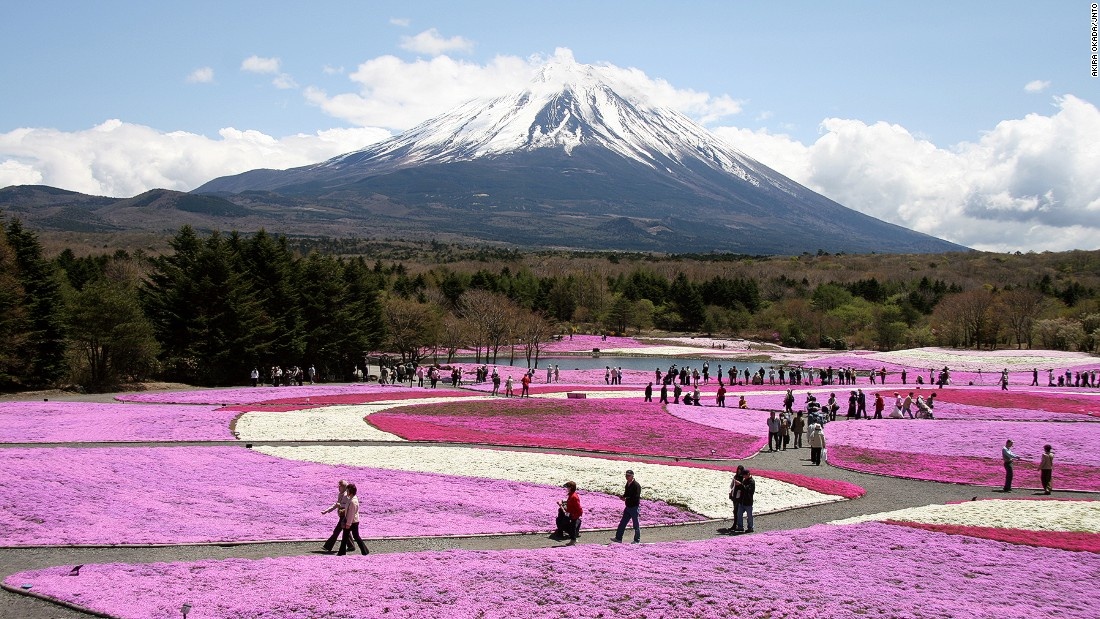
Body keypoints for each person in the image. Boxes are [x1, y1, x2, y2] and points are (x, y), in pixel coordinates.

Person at [337, 483, 368, 555]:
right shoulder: (351, 498)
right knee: (347, 537)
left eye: (347, 490)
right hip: (352, 521)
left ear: (350, 491)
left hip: (352, 522)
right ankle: (364, 551)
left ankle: (365, 551)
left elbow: (351, 514)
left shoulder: (353, 501)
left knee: (354, 537)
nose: (346, 492)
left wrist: (348, 524)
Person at [611, 470, 642, 543]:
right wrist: (623, 496)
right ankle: (618, 538)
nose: (627, 477)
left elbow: (636, 497)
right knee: (622, 523)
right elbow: (626, 493)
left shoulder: (636, 485)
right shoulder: (628, 484)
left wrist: (626, 498)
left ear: (632, 476)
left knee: (636, 525)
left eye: (628, 475)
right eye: (626, 475)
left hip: (634, 507)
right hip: (628, 507)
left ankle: (636, 540)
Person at [320, 479, 350, 553]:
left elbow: (349, 504)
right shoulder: (341, 494)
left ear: (344, 487)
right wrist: (327, 510)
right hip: (342, 515)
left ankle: (328, 546)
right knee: (346, 531)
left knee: (336, 531)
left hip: (345, 515)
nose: (338, 488)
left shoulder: (346, 495)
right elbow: (336, 504)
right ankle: (351, 546)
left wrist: (340, 505)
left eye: (340, 486)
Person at [728, 465, 746, 533]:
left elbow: (744, 487)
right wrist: (730, 492)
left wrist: (740, 484)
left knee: (737, 511)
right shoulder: (735, 477)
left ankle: (738, 525)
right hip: (734, 496)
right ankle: (736, 525)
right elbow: (732, 485)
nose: (739, 471)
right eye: (738, 470)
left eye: (740, 470)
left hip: (739, 497)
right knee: (735, 511)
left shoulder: (743, 478)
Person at [737, 468, 755, 533]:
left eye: (744, 475)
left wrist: (740, 485)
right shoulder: (745, 480)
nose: (743, 477)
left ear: (748, 474)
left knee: (749, 516)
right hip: (742, 501)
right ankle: (740, 527)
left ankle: (750, 528)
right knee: (739, 514)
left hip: (748, 502)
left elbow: (747, 490)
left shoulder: (752, 482)